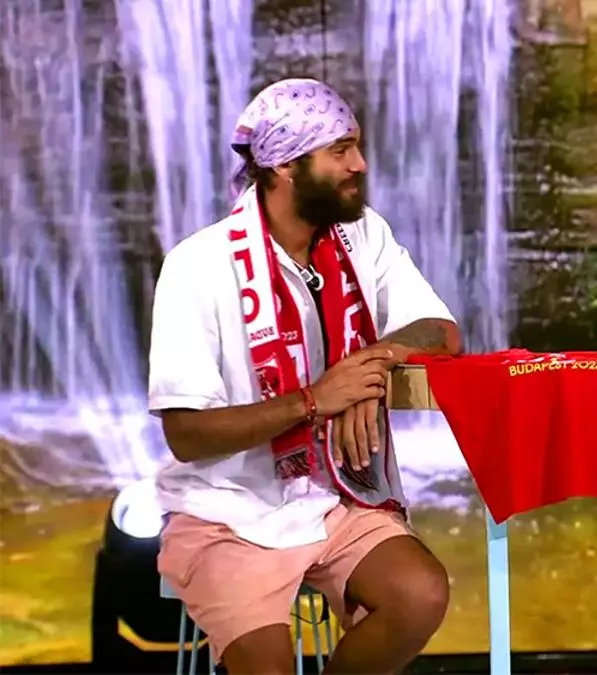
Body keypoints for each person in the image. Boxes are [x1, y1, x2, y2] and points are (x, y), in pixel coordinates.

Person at [148, 78, 462, 674]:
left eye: (357, 147)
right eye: (340, 151)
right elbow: (185, 434)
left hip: (336, 498)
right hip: (227, 513)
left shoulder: (363, 236)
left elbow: (439, 331)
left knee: (420, 594)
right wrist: (314, 400)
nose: (359, 165)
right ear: (285, 166)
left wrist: (367, 366)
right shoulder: (197, 266)